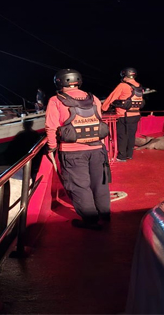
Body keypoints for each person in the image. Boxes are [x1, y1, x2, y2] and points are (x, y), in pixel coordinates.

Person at [45, 68, 111, 230]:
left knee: (79, 185)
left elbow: (51, 127)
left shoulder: (55, 100)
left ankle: (90, 220)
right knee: (100, 182)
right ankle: (105, 214)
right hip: (98, 149)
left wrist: (52, 147)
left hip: (72, 151)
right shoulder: (93, 98)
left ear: (59, 82)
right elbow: (99, 120)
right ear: (78, 81)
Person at [101, 67, 144, 162]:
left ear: (124, 75)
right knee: (131, 135)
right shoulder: (139, 86)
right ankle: (129, 154)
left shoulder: (122, 85)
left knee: (122, 136)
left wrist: (103, 108)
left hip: (124, 116)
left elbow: (111, 97)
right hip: (136, 115)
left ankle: (121, 156)